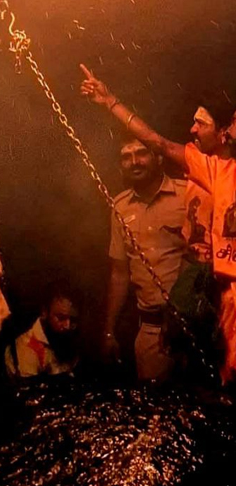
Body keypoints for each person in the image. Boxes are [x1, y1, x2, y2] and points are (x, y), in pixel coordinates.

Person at [80, 64, 236, 383]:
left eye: (200, 124)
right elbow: (159, 142)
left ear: (225, 132)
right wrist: (111, 102)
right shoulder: (209, 169)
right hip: (196, 309)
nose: (192, 130)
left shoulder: (216, 176)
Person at [103, 136, 186, 381]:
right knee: (155, 411)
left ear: (159, 157)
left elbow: (203, 259)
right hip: (151, 331)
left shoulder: (186, 194)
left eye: (141, 153)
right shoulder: (120, 207)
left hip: (194, 328)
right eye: (126, 157)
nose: (134, 162)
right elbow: (119, 273)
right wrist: (109, 331)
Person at [5, 281, 80, 378]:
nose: (67, 325)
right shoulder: (27, 349)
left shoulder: (66, 337)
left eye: (72, 319)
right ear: (44, 312)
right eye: (61, 318)